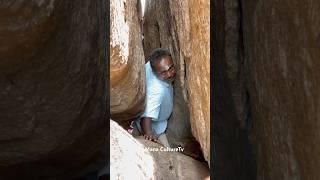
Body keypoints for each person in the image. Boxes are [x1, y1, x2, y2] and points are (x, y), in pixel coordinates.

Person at [128, 48, 176, 147]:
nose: (170, 74)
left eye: (171, 68)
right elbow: (145, 119)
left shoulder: (151, 65)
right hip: (155, 126)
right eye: (164, 72)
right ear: (155, 71)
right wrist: (150, 135)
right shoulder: (158, 90)